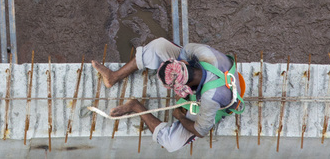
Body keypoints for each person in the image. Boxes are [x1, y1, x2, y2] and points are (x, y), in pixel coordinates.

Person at [91, 37, 245, 153]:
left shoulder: (210, 98)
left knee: (172, 142)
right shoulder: (197, 51)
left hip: (222, 98)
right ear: (183, 64)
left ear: (184, 89)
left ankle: (135, 106)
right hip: (211, 74)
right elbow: (183, 54)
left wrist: (180, 116)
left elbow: (201, 131)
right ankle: (113, 77)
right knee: (159, 46)